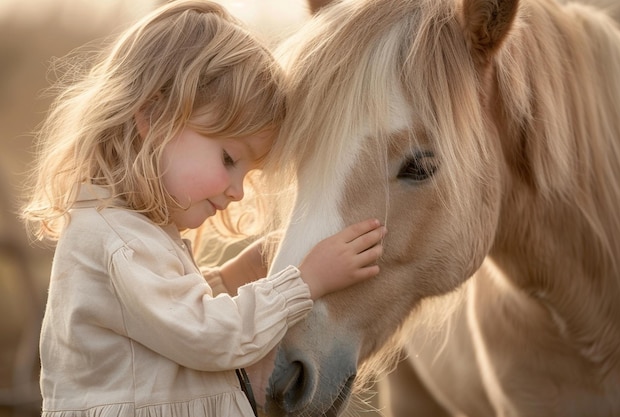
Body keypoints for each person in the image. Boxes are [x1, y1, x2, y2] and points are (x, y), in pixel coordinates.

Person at [20, 1, 387, 417]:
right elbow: (206, 336)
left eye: (248, 175)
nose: (237, 193)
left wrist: (231, 277)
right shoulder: (119, 242)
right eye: (230, 159)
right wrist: (303, 283)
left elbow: (164, 321)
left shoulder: (132, 233)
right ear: (156, 117)